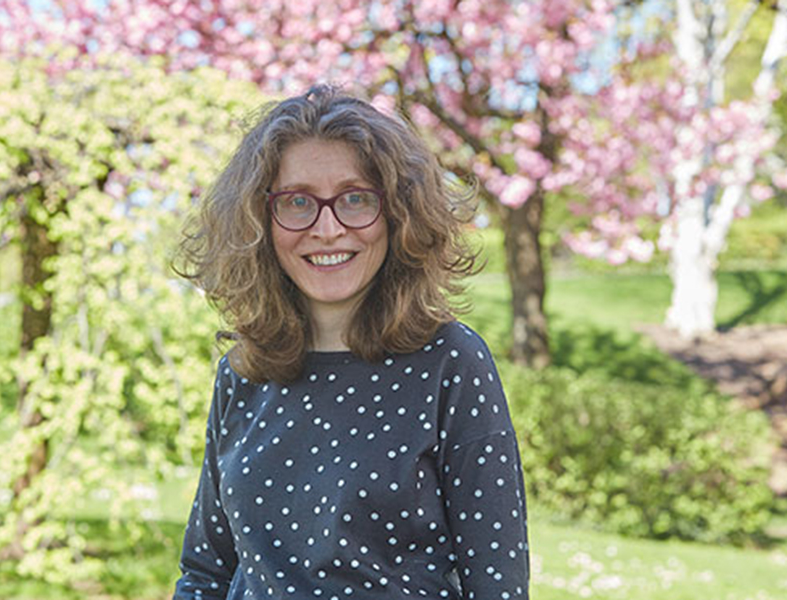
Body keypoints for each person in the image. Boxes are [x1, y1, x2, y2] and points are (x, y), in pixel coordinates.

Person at [173, 84, 529, 599]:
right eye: (297, 202)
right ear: (259, 221)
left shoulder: (450, 362)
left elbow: (497, 587)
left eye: (355, 199)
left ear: (397, 214)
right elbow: (206, 573)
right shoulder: (243, 372)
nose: (327, 227)